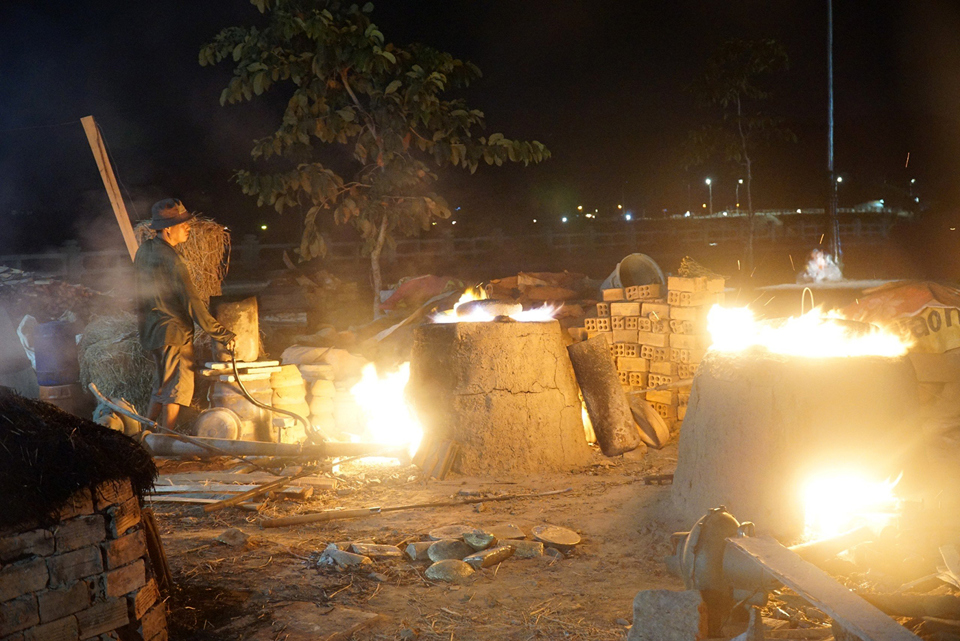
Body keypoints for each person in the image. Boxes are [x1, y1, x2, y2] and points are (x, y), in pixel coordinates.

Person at [134, 198, 235, 429]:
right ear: (168, 229)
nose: (188, 227)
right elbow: (193, 303)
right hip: (174, 332)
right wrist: (221, 334)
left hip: (153, 331)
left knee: (160, 386)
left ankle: (145, 435)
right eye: (183, 224)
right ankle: (167, 440)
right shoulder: (174, 260)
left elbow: (138, 294)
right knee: (175, 390)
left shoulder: (144, 251)